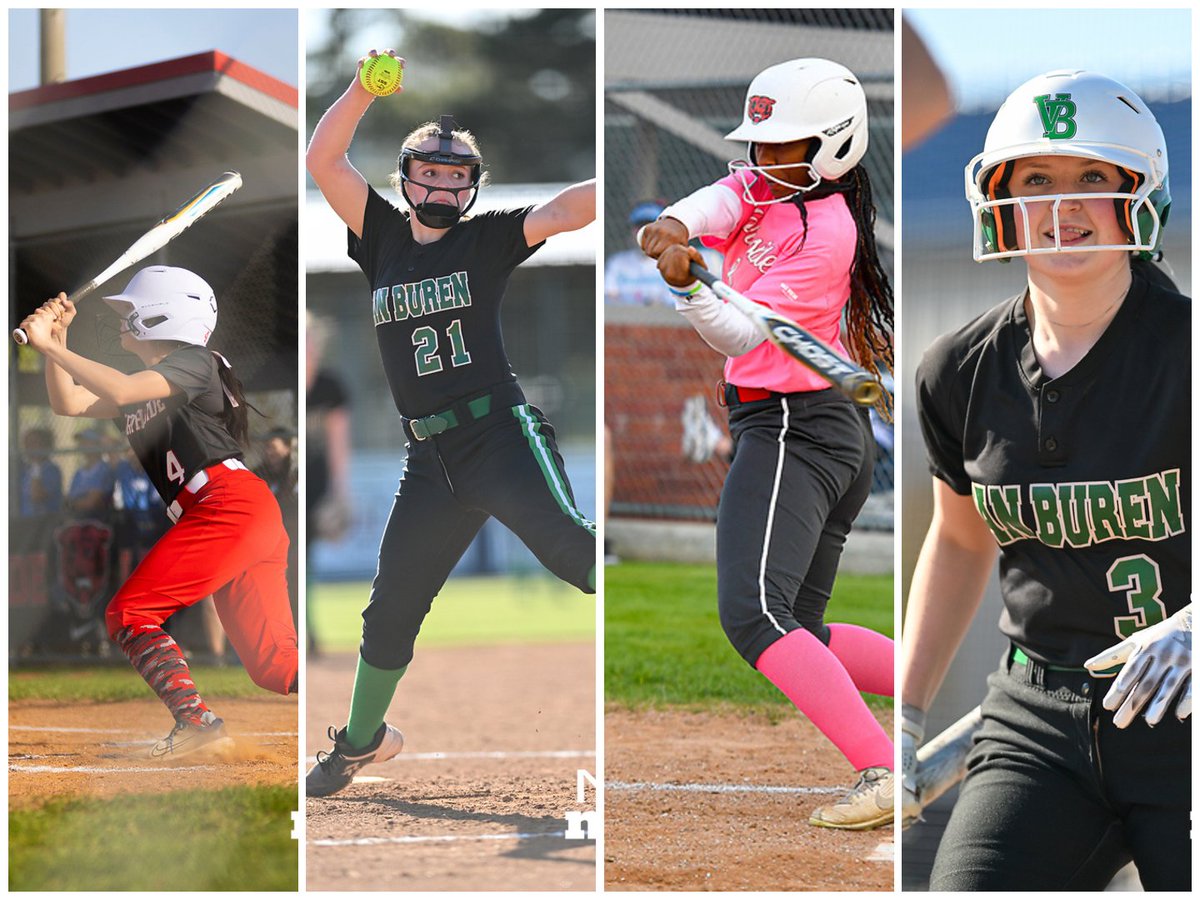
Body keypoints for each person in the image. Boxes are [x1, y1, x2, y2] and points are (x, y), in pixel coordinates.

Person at [902, 70, 1189, 890]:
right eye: (1036, 180)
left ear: (1139, 195)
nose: (1062, 205)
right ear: (999, 200)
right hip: (1038, 719)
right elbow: (960, 542)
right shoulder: (958, 369)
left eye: (1092, 176)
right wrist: (905, 716)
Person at [305, 50, 597, 796]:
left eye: (455, 177)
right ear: (405, 178)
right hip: (428, 460)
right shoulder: (380, 236)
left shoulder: (486, 238)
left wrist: (659, 203)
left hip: (498, 437)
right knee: (389, 609)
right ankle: (360, 743)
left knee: (575, 554)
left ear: (472, 188)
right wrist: (362, 90)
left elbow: (567, 211)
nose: (440, 186)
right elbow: (323, 159)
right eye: (428, 174)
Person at [639, 58, 896, 829]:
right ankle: (959, 697)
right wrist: (677, 226)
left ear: (833, 147)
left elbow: (739, 334)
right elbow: (724, 197)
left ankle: (885, 771)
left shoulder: (827, 233)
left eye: (784, 145)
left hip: (796, 426)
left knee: (755, 614)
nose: (764, 157)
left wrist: (688, 288)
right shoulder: (772, 186)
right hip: (812, 427)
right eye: (761, 143)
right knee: (801, 630)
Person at [18, 265, 299, 757]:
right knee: (274, 666)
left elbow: (122, 391)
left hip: (226, 503)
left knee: (129, 612)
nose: (123, 320)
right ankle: (353, 711)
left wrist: (52, 347)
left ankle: (197, 723)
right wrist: (56, 343)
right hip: (231, 510)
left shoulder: (195, 361)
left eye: (132, 310)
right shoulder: (145, 386)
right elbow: (69, 404)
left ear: (163, 315)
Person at [18, 427, 63, 517]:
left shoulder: (51, 469)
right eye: (26, 443)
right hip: (23, 518)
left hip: (43, 519)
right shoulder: (26, 468)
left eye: (33, 443)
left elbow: (37, 496)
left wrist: (36, 466)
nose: (28, 447)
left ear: (45, 445)